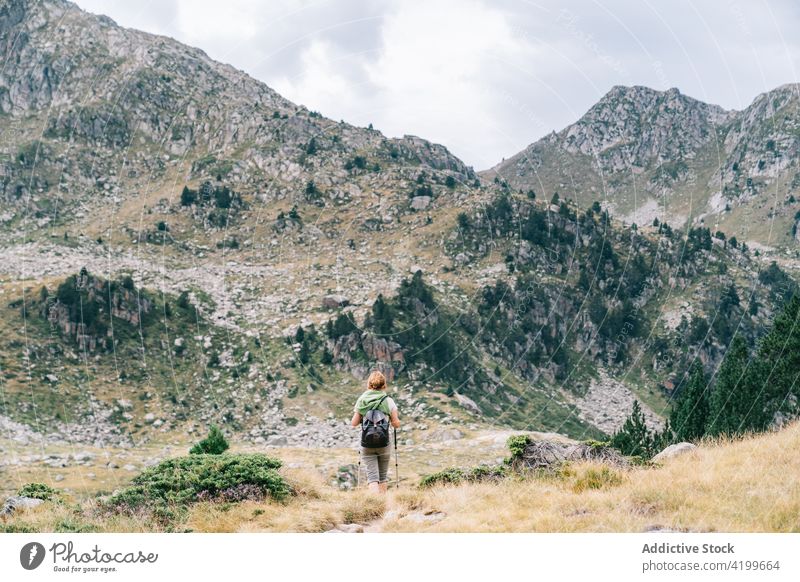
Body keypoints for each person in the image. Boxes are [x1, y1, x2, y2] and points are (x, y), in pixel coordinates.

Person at [351, 370, 401, 493]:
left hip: (367, 443)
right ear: (384, 385)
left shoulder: (362, 400)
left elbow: (354, 423)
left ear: (369, 384)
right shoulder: (388, 401)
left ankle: (374, 505)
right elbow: (396, 424)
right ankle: (383, 506)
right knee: (382, 476)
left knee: (372, 477)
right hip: (384, 442)